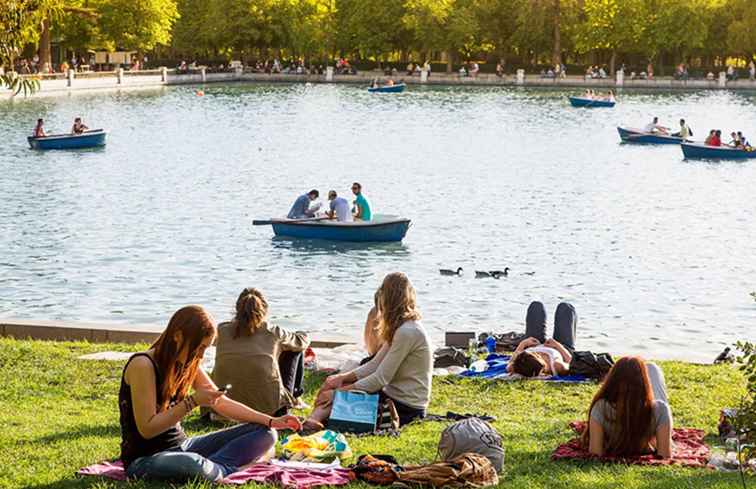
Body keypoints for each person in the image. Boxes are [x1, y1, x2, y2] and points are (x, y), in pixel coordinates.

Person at [119, 305, 302, 482]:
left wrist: (270, 421)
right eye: (199, 348)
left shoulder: (188, 364)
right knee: (191, 464)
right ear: (178, 336)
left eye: (205, 349)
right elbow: (148, 428)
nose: (200, 355)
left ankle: (217, 467)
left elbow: (221, 403)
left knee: (266, 434)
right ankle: (233, 469)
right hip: (145, 459)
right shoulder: (143, 365)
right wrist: (191, 402)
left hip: (183, 446)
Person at [306, 272, 432, 428]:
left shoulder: (408, 331)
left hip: (405, 407)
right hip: (391, 396)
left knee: (340, 396)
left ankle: (314, 420)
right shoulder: (400, 327)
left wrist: (339, 393)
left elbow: (380, 379)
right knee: (334, 385)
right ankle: (314, 419)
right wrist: (342, 378)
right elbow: (374, 364)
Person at [212, 288, 310, 417]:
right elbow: (301, 342)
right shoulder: (274, 331)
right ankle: (295, 397)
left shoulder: (221, 330)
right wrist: (302, 334)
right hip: (269, 410)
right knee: (295, 350)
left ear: (237, 309)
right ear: (264, 309)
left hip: (219, 407)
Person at [582, 357, 673, 458]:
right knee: (652, 368)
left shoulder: (601, 407)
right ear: (643, 382)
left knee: (651, 367)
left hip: (640, 425)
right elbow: (665, 456)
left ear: (612, 381)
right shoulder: (659, 410)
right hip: (649, 433)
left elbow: (595, 452)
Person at [507, 301, 576, 377]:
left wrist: (523, 343)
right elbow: (572, 363)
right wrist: (557, 345)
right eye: (538, 355)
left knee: (536, 306)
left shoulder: (515, 366)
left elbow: (512, 361)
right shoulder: (557, 365)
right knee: (565, 308)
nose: (539, 353)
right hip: (561, 349)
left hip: (533, 343)